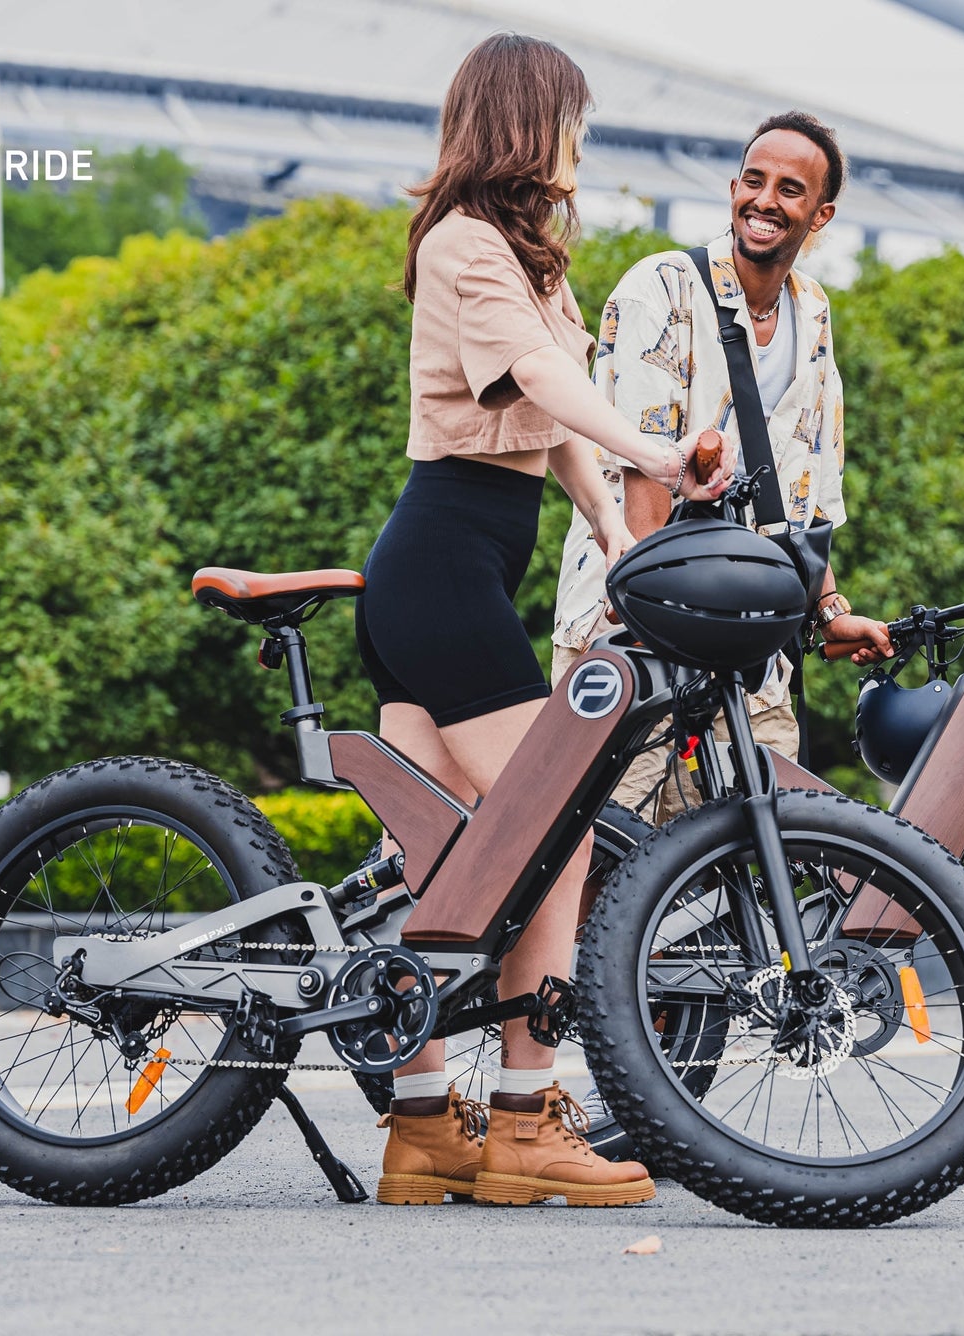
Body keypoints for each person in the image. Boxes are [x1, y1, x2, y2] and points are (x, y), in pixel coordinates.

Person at [354, 33, 733, 1207]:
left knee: (430, 861)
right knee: (554, 829)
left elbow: (558, 420)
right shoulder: (465, 245)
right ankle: (524, 1115)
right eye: (570, 118)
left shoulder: (532, 263)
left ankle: (422, 1127)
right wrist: (659, 449)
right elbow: (542, 382)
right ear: (528, 124)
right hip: (438, 567)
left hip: (464, 563)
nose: (580, 140)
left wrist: (617, 531)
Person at [552, 110, 894, 823]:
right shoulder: (664, 288)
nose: (764, 201)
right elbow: (640, 459)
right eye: (753, 179)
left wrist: (829, 609)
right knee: (603, 851)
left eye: (790, 190)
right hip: (636, 626)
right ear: (733, 185)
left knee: (759, 847)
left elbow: (804, 486)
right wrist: (651, 611)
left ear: (820, 214)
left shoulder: (814, 311)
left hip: (750, 644)